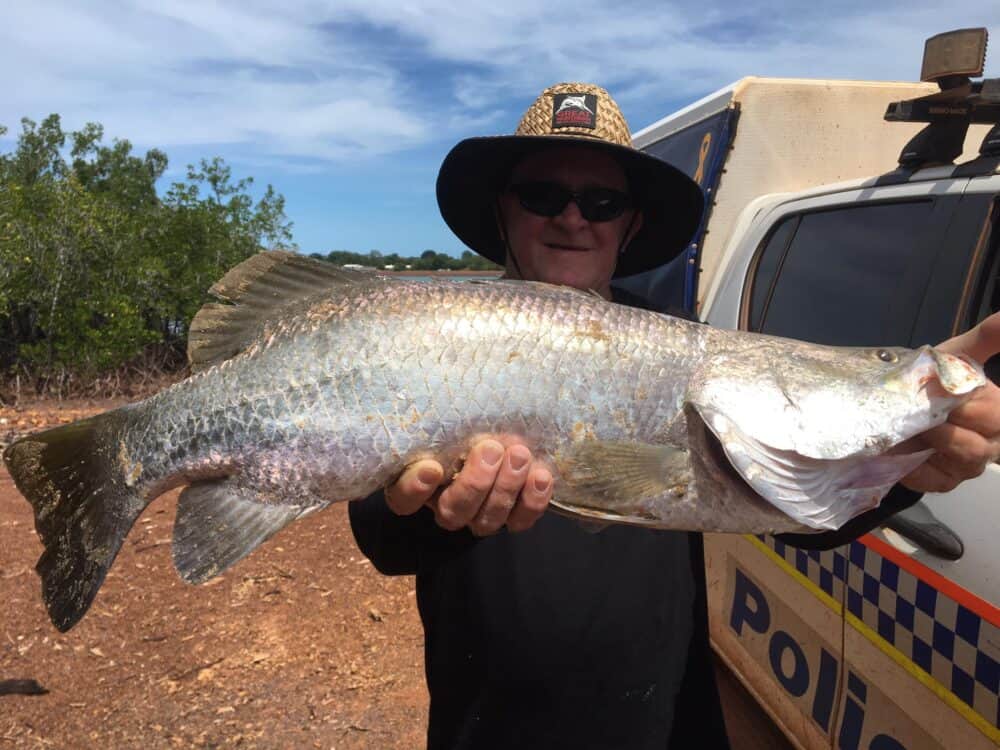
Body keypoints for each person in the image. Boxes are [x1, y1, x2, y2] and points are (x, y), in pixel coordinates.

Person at [349, 83, 1000, 749]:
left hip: (667, 724)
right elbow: (382, 538)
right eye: (544, 194)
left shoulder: (680, 343)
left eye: (603, 202)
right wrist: (436, 510)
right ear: (502, 210)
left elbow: (784, 506)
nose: (574, 218)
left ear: (630, 223)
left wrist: (901, 453)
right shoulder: (433, 341)